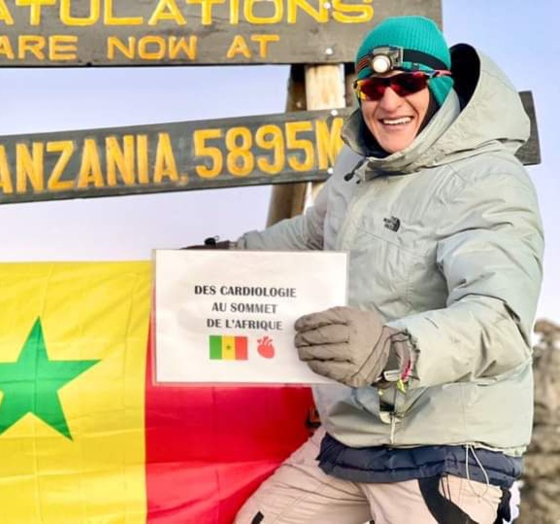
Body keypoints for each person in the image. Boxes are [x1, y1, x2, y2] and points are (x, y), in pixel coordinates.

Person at [205, 15, 543, 524]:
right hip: (354, 434)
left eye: (408, 83)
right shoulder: (357, 163)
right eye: (373, 86)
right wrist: (227, 259)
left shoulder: (487, 180)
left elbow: (500, 323)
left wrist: (394, 349)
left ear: (442, 85)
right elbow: (312, 235)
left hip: (445, 447)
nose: (389, 102)